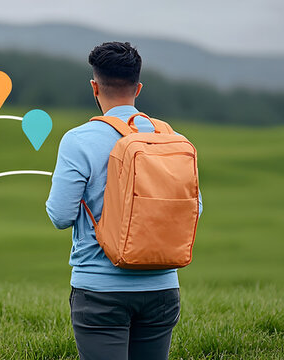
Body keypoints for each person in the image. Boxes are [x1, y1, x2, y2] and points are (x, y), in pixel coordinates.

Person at [45, 41, 203, 360]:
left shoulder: (78, 140)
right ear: (138, 87)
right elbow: (194, 207)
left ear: (94, 87)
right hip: (162, 288)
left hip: (100, 291)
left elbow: (60, 216)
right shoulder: (169, 138)